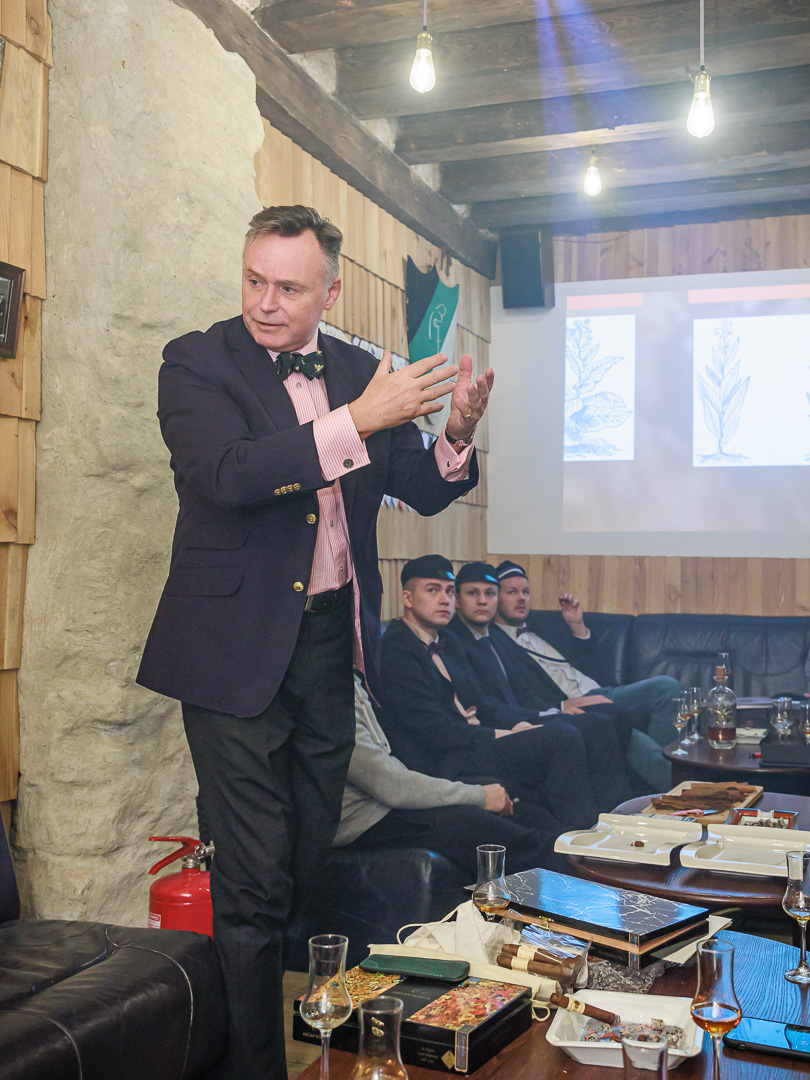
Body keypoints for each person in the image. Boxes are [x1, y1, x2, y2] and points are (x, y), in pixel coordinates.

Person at [137, 205, 493, 1080]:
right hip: (232, 651)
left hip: (331, 644)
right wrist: (357, 421)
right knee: (253, 880)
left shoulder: (360, 371)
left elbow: (420, 485)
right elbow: (228, 475)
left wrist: (454, 433)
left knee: (301, 862)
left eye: (288, 288)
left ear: (328, 294)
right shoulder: (196, 362)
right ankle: (252, 1069)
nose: (265, 302)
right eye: (254, 280)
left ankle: (275, 1034)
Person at [379, 554, 603, 830]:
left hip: (473, 741)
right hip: (446, 759)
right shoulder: (396, 648)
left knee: (572, 730)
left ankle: (599, 827)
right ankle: (586, 841)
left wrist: (518, 725)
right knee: (562, 737)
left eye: (449, 591)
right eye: (433, 591)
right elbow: (434, 730)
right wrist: (501, 733)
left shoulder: (447, 639)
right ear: (408, 598)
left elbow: (480, 700)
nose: (444, 600)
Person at [336, 674, 569, 876]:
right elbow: (392, 786)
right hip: (365, 820)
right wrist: (479, 796)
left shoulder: (353, 679)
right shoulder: (332, 691)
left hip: (388, 799)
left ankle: (575, 848)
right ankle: (576, 873)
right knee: (483, 826)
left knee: (521, 806)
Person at [445, 561, 631, 809]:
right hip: (497, 730)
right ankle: (595, 820)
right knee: (585, 727)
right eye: (472, 593)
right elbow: (485, 706)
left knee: (603, 720)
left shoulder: (496, 637)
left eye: (489, 594)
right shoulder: (452, 640)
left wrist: (555, 710)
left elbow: (524, 692)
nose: (482, 601)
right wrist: (551, 713)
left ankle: (616, 812)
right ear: (457, 599)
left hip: (523, 715)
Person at [492, 561, 680, 790]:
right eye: (512, 592)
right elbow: (519, 696)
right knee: (624, 730)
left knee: (667, 686)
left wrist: (577, 626)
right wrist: (562, 705)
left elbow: (591, 670)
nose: (521, 598)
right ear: (495, 598)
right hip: (573, 705)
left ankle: (662, 773)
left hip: (602, 691)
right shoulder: (494, 643)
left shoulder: (545, 627)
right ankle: (674, 784)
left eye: (526, 592)